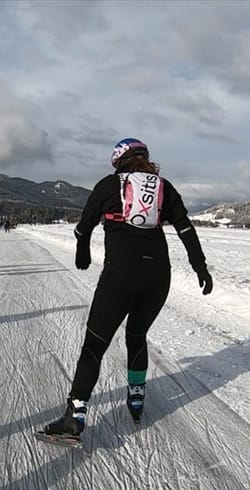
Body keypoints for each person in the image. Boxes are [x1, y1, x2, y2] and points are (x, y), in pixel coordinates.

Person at [38, 138, 213, 443]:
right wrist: (200, 267)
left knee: (94, 345)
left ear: (118, 161)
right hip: (158, 277)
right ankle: (136, 399)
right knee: (136, 335)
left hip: (120, 275)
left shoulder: (108, 185)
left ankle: (74, 418)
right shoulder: (163, 187)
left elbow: (84, 225)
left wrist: (82, 250)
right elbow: (185, 228)